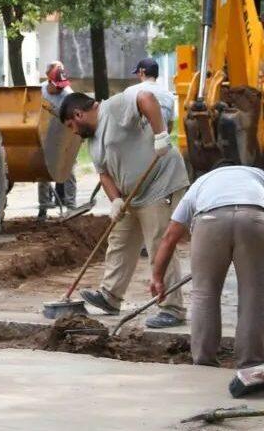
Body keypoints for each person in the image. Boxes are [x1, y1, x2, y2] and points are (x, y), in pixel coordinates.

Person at [58, 89, 191, 328]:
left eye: (71, 125)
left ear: (78, 114)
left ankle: (172, 308)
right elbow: (104, 174)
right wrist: (116, 200)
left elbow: (146, 98)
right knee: (119, 241)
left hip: (160, 183)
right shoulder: (93, 141)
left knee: (159, 243)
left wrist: (161, 135)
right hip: (132, 196)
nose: (74, 132)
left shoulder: (114, 107)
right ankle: (110, 296)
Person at [149, 163, 264, 367]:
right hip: (254, 219)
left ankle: (204, 361)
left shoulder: (201, 182)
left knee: (205, 295)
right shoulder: (263, 176)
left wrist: (157, 277)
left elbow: (170, 237)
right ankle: (250, 362)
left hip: (209, 219)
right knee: (254, 296)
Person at [38, 62, 77, 221]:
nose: (61, 89)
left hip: (63, 135)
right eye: (58, 86)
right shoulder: (39, 91)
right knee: (43, 173)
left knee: (68, 171)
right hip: (45, 134)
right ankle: (43, 208)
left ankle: (71, 207)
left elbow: (74, 118)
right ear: (49, 82)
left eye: (63, 85)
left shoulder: (68, 94)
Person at [128, 57, 175, 129]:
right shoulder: (169, 95)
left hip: (138, 139)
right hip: (161, 138)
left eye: (137, 73)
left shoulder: (131, 91)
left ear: (141, 72)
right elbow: (170, 125)